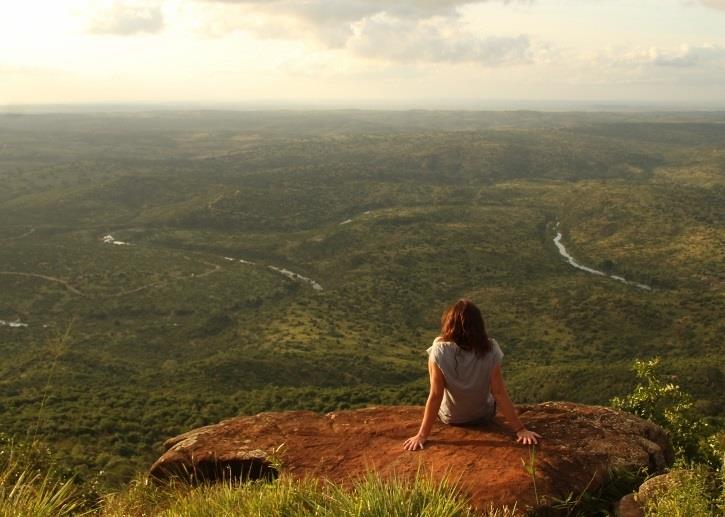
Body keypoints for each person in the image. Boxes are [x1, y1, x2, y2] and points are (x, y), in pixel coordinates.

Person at [404, 299, 541, 451]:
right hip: (482, 415)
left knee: (437, 341)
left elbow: (436, 395)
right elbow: (499, 393)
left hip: (451, 417)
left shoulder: (438, 351)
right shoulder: (491, 348)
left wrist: (422, 435)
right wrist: (520, 429)